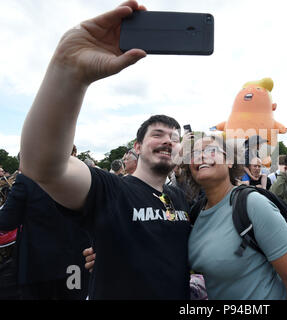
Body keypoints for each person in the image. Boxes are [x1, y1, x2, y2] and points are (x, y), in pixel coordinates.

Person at [19, 2, 192, 299]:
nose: (168, 141)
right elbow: (43, 166)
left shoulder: (180, 198)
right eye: (158, 134)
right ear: (137, 147)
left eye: (175, 138)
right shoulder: (110, 190)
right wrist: (69, 72)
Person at [184, 134, 287, 299]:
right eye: (194, 154)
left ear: (230, 161)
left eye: (211, 150)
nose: (201, 155)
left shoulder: (253, 204)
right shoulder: (195, 214)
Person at [0, 172, 91, 300]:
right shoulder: (85, 175)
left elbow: (6, 221)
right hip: (75, 264)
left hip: (38, 266)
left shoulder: (27, 178)